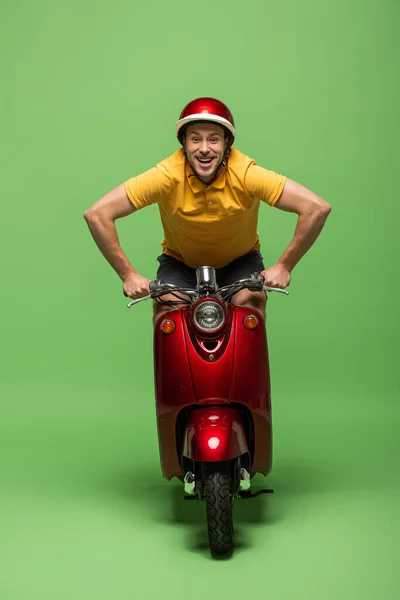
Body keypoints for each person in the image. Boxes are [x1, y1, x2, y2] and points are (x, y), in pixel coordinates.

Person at [84, 97, 331, 321]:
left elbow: (315, 208)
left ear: (226, 144)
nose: (204, 148)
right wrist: (128, 275)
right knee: (167, 313)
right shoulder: (166, 175)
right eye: (195, 139)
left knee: (251, 306)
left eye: (213, 139)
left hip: (240, 264)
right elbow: (97, 214)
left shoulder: (246, 173)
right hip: (180, 264)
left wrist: (284, 266)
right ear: (184, 144)